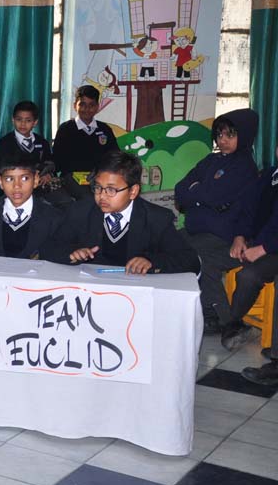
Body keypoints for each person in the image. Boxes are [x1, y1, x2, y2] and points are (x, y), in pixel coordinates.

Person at [48, 151, 199, 274]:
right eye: (98, 187)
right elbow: (49, 248)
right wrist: (72, 253)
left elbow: (189, 260)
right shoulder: (81, 211)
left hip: (136, 292)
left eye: (111, 189)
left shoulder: (156, 218)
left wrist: (151, 262)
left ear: (133, 191)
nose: (102, 196)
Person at [175, 109, 259, 330]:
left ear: (244, 135)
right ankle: (204, 311)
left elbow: (213, 196)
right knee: (167, 243)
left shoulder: (244, 167)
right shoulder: (211, 160)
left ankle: (224, 320)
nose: (223, 140)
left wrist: (196, 191)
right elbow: (180, 190)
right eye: (220, 135)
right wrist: (200, 193)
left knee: (195, 255)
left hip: (226, 236)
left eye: (230, 135)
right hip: (198, 230)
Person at [220, 149, 278, 357]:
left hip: (272, 249)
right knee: (212, 256)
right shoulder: (270, 175)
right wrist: (240, 236)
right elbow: (248, 209)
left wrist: (263, 249)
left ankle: (232, 321)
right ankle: (227, 319)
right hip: (258, 243)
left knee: (249, 275)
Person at [0, 152, 61, 259]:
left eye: (24, 178)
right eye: (9, 179)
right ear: (0, 182)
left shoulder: (53, 218)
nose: (17, 186)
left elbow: (59, 253)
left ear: (36, 180)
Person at [0, 100, 70, 207]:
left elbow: (50, 163)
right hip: (16, 188)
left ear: (35, 122)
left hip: (41, 186)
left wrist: (48, 175)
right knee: (38, 205)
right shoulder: (4, 143)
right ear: (13, 120)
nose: (23, 124)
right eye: (19, 119)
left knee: (65, 201)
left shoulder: (42, 143)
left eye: (28, 120)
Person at [53, 85, 120, 202]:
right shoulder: (66, 129)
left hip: (99, 176)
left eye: (91, 105)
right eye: (82, 104)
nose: (87, 109)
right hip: (72, 177)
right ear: (75, 105)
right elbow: (57, 159)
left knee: (114, 195)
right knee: (90, 197)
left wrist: (100, 171)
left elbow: (114, 157)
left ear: (97, 107)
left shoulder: (104, 129)